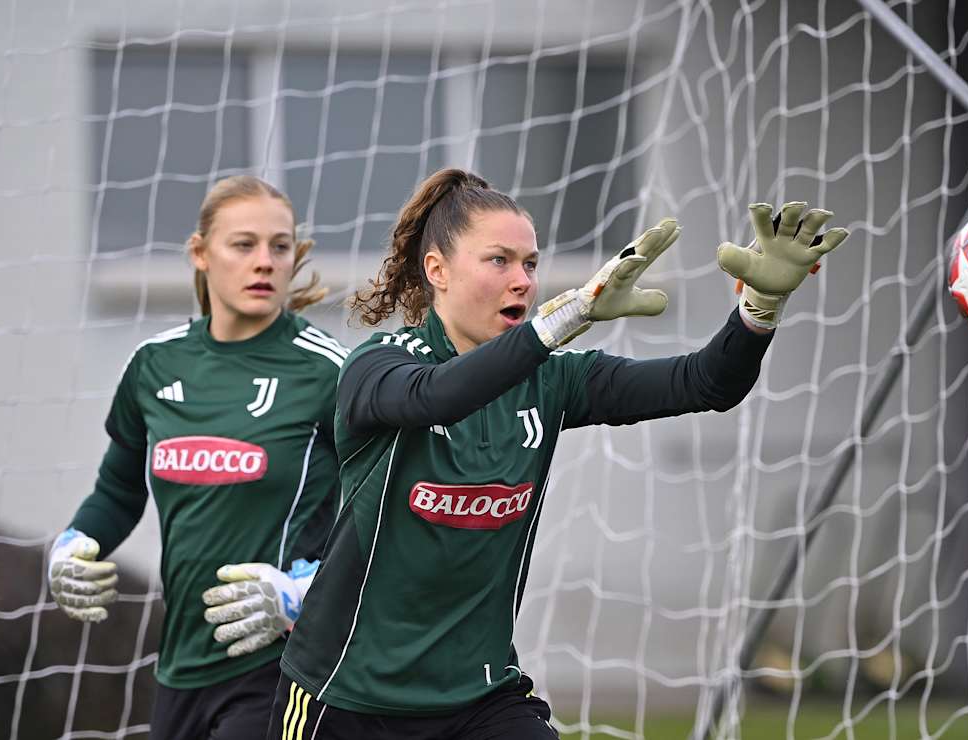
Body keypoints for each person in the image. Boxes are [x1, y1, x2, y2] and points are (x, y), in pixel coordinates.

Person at [267, 168, 848, 739]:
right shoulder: (379, 364)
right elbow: (437, 398)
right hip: (344, 696)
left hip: (478, 696)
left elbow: (704, 384)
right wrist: (563, 318)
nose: (522, 280)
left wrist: (759, 310)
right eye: (499, 260)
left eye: (530, 264)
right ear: (437, 271)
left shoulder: (552, 381)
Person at [46, 175, 348, 739]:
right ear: (200, 253)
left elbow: (383, 514)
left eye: (279, 247)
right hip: (181, 668)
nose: (264, 262)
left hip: (284, 667)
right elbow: (117, 492)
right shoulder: (154, 365)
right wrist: (70, 546)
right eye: (244, 244)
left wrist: (304, 596)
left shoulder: (328, 371)